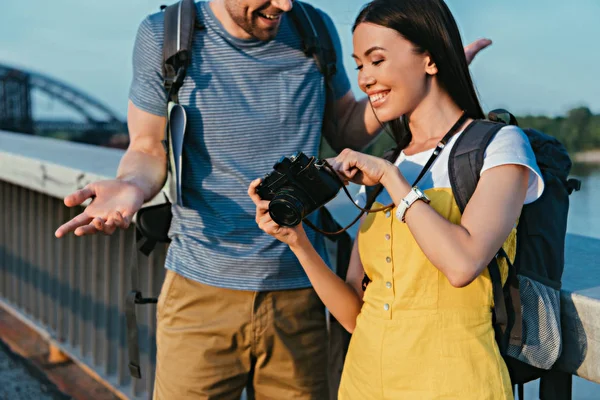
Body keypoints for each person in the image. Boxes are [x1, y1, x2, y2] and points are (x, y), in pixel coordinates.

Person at [54, 0, 491, 398]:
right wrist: (131, 185)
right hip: (201, 292)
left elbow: (345, 128)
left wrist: (419, 83)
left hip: (301, 290)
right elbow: (148, 149)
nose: (282, 5)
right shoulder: (167, 35)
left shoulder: (312, 27)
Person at [249, 0, 545, 399]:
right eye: (359, 66)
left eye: (377, 60)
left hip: (455, 384)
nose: (366, 79)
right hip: (363, 384)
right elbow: (355, 315)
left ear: (431, 60)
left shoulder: (499, 146)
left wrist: (392, 179)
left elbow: (462, 264)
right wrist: (297, 241)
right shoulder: (385, 164)